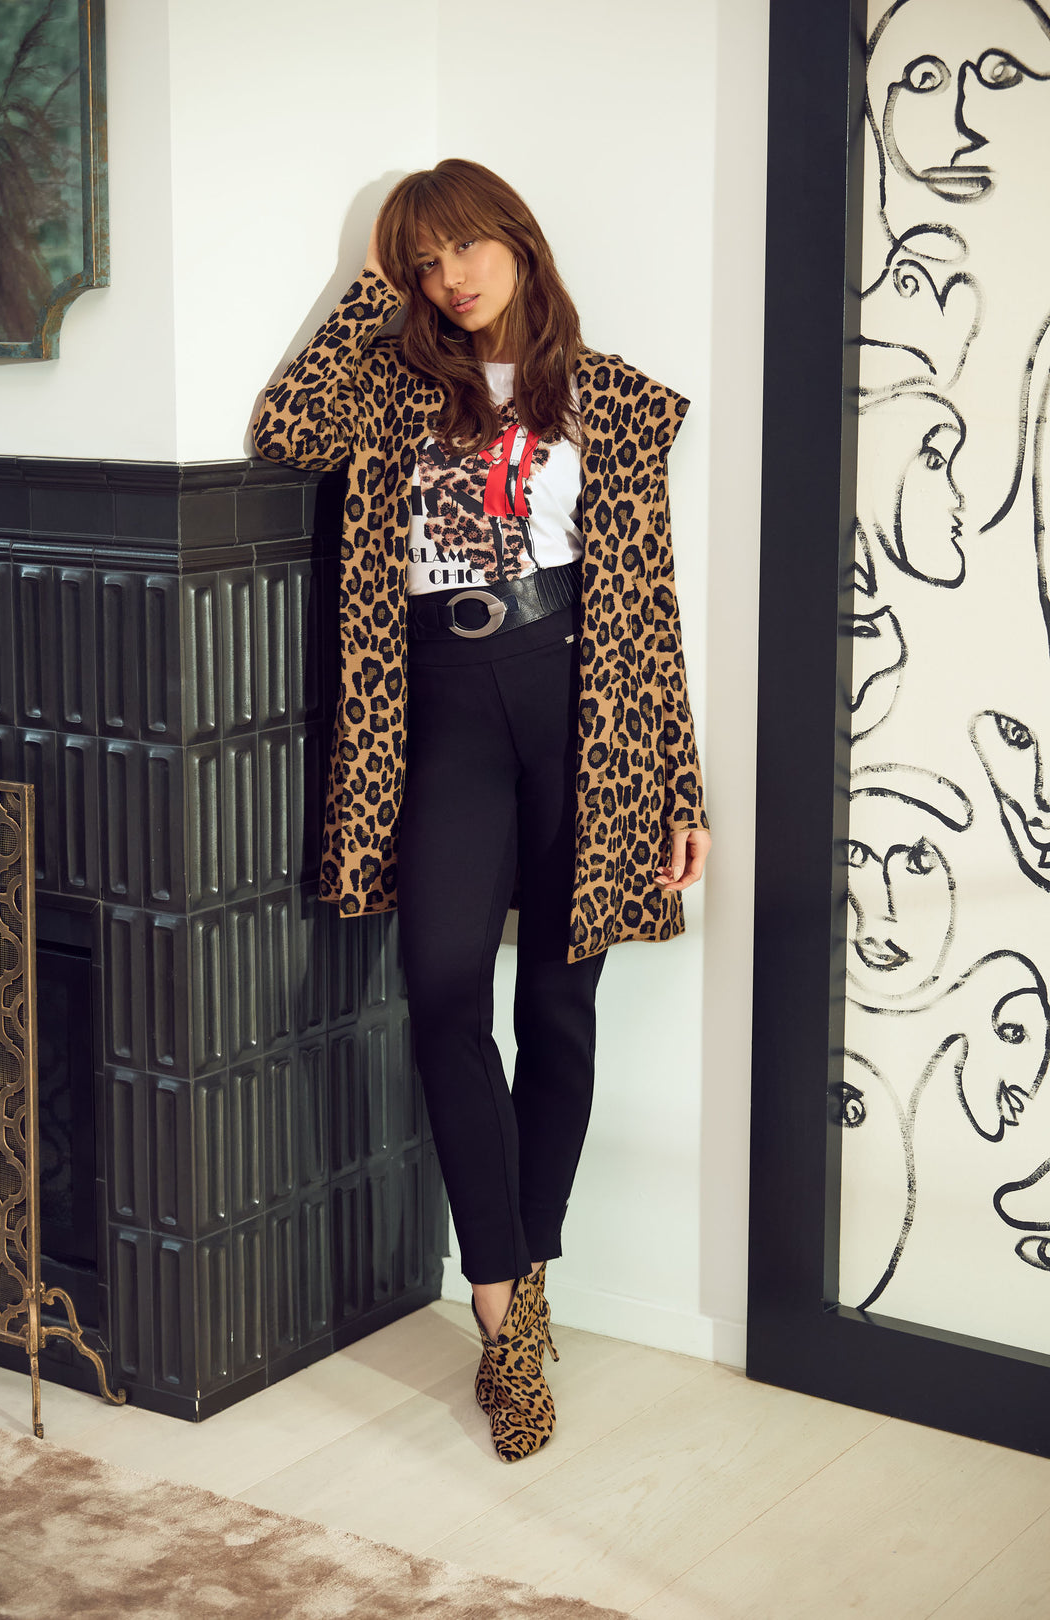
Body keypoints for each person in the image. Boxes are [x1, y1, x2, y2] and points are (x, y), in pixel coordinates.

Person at [253, 159, 710, 1462]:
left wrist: (679, 784)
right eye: (423, 261)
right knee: (444, 992)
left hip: (578, 703)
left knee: (559, 1004)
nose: (449, 278)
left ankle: (527, 1285)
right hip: (440, 702)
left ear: (518, 240)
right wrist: (367, 293)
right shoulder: (391, 391)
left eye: (464, 247)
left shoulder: (609, 400)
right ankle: (502, 1299)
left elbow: (651, 607)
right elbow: (283, 429)